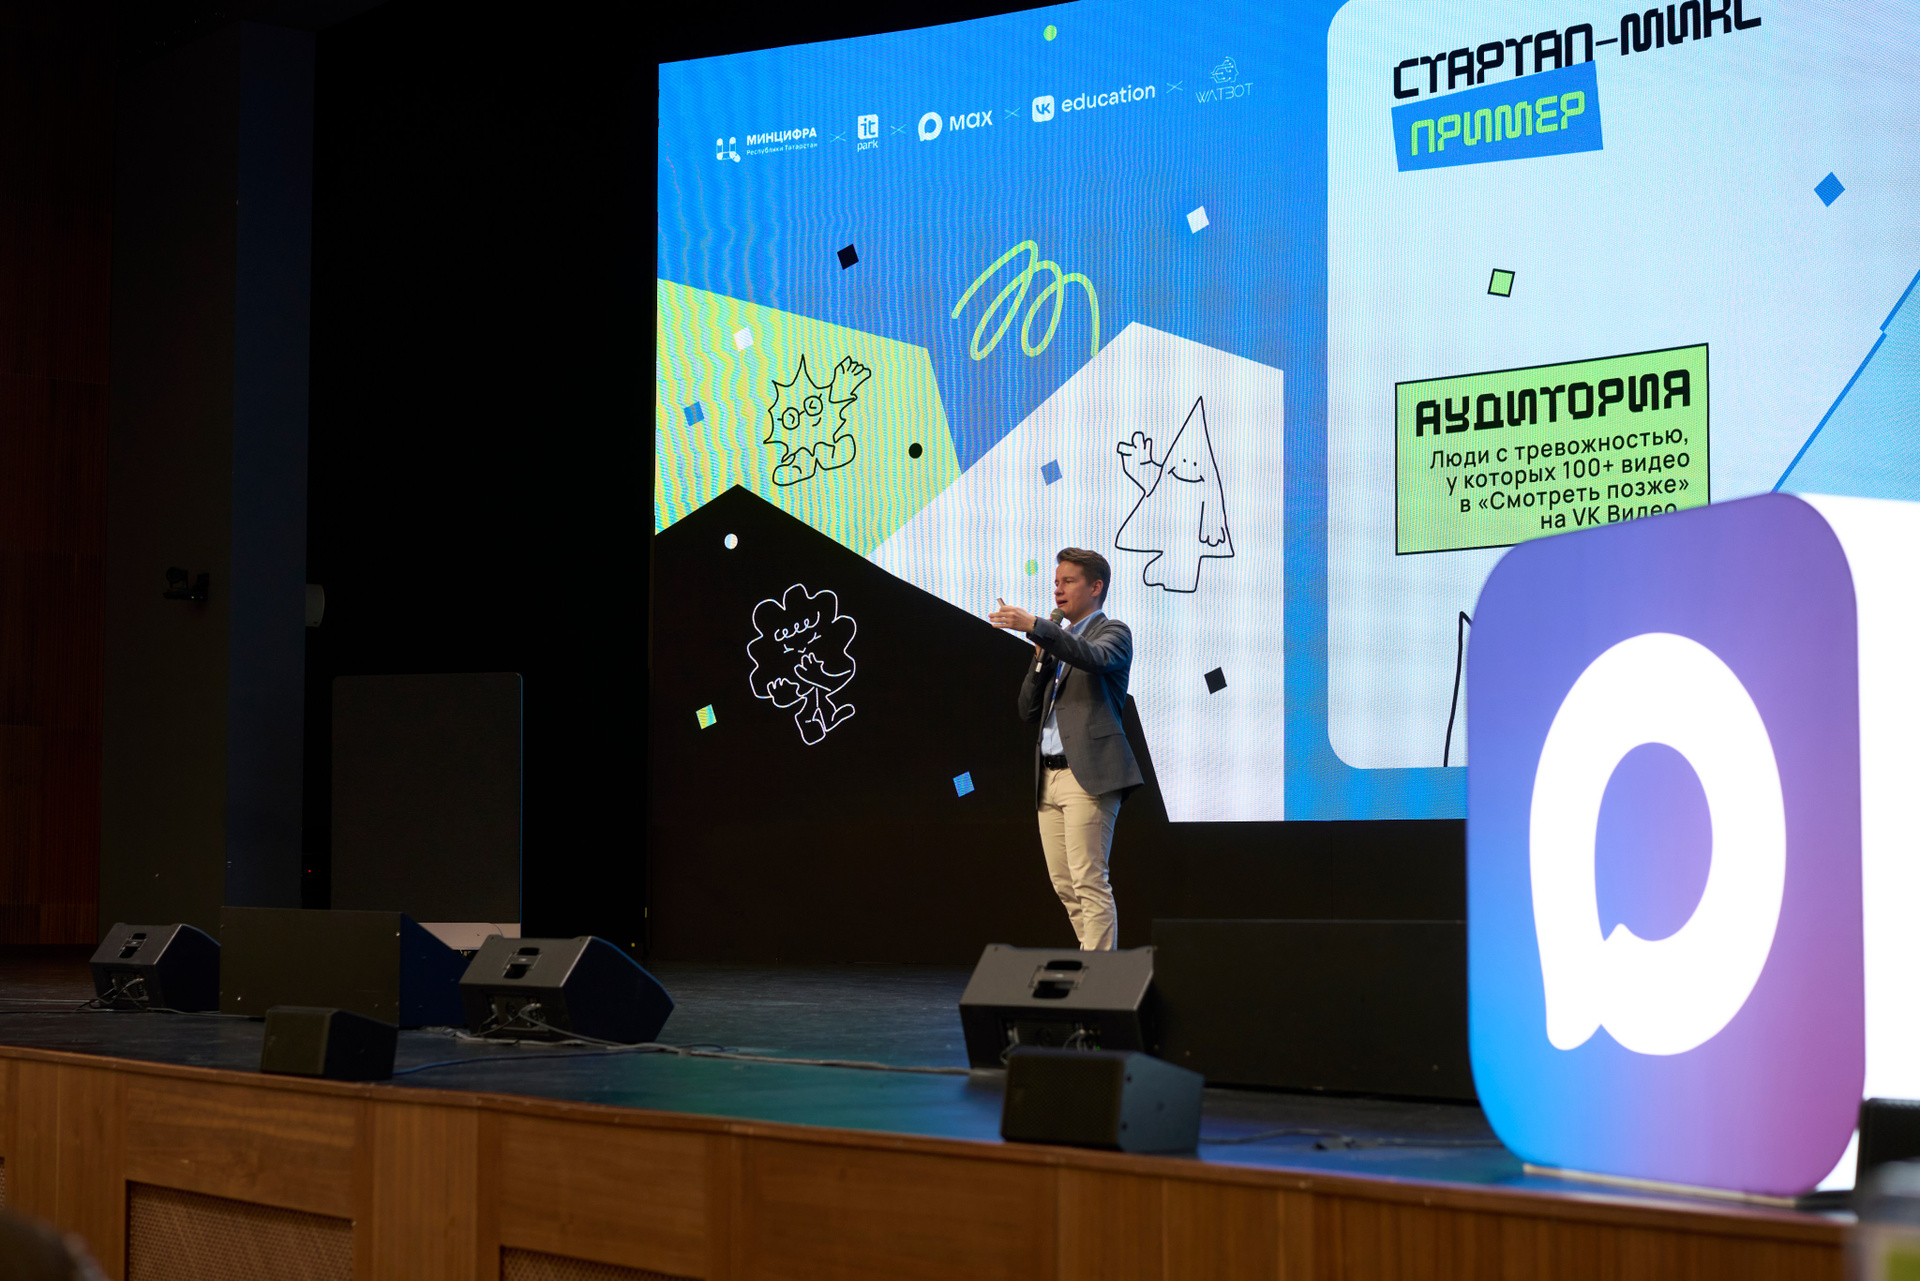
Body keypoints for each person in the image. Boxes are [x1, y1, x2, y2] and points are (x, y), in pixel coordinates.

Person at [989, 549, 1143, 950]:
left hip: (1088, 774)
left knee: (1088, 879)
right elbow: (1027, 709)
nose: (1058, 590)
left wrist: (1039, 628)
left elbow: (1094, 657)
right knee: (1065, 884)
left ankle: (1098, 976)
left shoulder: (1113, 632)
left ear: (1096, 587)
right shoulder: (1056, 643)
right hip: (1049, 777)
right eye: (1056, 582)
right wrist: (1041, 656)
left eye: (1068, 582)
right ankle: (1093, 961)